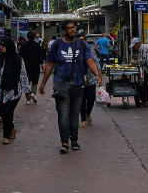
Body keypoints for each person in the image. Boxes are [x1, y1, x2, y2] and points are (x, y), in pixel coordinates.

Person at [38, 21, 101, 153]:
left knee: (74, 115)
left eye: (74, 28)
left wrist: (97, 75)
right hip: (61, 85)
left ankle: (75, 141)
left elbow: (90, 60)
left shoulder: (82, 44)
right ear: (64, 32)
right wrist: (43, 83)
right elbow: (49, 64)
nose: (74, 30)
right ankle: (64, 142)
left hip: (78, 85)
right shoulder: (57, 44)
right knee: (63, 114)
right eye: (70, 28)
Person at [0, 37, 32, 145]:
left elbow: (23, 76)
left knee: (8, 113)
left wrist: (27, 92)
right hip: (0, 92)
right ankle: (11, 128)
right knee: (3, 113)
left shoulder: (18, 59)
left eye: (3, 45)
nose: (1, 47)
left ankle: (5, 136)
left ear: (9, 46)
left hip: (13, 92)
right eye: (0, 45)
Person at [20, 31, 44, 103]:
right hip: (35, 66)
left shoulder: (24, 45)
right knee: (35, 81)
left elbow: (21, 56)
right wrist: (41, 64)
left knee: (27, 82)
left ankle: (28, 99)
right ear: (34, 37)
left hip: (26, 66)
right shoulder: (37, 45)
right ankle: (33, 94)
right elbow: (40, 55)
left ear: (27, 37)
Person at [133, 38, 148, 107]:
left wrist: (136, 62)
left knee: (144, 85)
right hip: (141, 70)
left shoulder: (144, 49)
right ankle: (143, 100)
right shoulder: (140, 50)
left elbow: (145, 60)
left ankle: (146, 101)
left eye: (134, 45)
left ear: (137, 43)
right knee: (141, 84)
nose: (134, 47)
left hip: (143, 70)